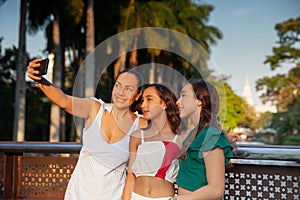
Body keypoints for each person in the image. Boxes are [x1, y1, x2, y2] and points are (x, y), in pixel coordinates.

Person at [27, 58, 146, 200]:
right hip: (78, 195)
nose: (121, 93)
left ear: (138, 94)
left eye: (128, 89)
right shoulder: (94, 109)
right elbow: (64, 101)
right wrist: (39, 80)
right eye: (118, 86)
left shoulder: (140, 125)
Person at [170, 80, 234, 200]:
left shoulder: (210, 136)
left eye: (184, 95)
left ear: (199, 101)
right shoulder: (196, 134)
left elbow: (216, 190)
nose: (178, 102)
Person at [122, 83, 184, 200]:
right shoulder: (137, 136)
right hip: (136, 197)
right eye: (142, 101)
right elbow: (130, 176)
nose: (143, 105)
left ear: (164, 103)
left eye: (149, 99)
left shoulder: (181, 138)